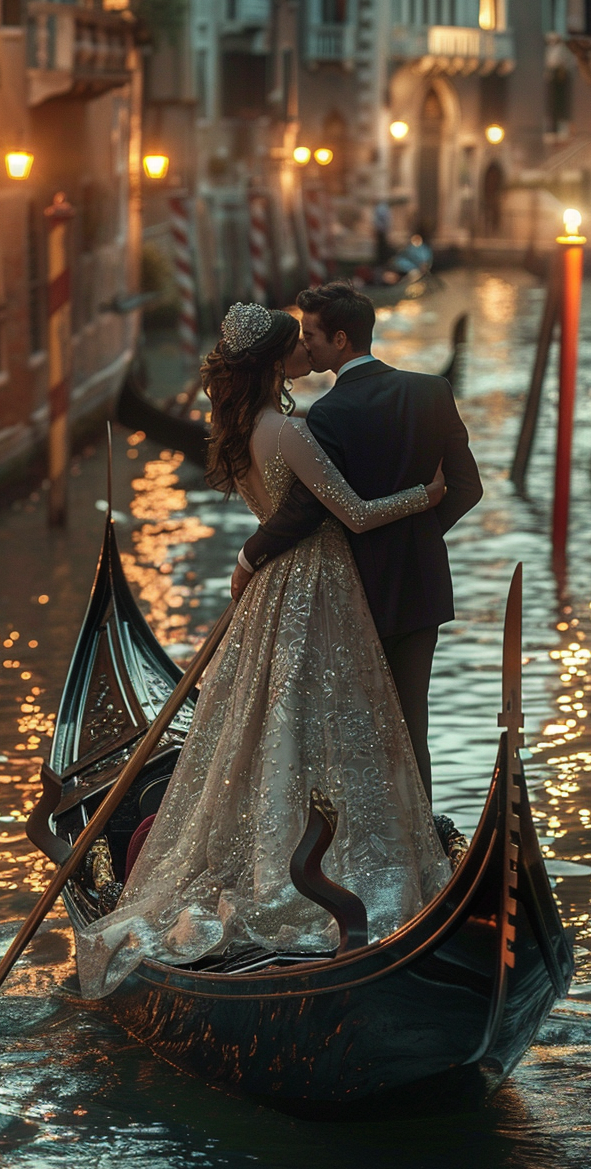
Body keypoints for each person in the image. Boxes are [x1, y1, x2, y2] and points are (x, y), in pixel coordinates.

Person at [74, 303, 452, 999]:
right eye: (297, 344)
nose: (308, 350)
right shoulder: (292, 431)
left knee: (271, 727)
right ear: (278, 361)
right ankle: (323, 873)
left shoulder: (244, 431)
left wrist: (249, 558)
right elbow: (357, 515)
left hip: (270, 592)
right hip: (317, 589)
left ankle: (287, 850)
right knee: (336, 725)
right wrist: (423, 498)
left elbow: (280, 514)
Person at [232, 281, 482, 802]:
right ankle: (424, 841)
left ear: (340, 339)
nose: (305, 345)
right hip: (420, 584)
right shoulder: (431, 391)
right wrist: (416, 537)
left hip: (354, 588)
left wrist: (249, 556)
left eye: (312, 335)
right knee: (413, 720)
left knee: (356, 725)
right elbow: (466, 488)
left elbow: (305, 511)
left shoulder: (326, 414)